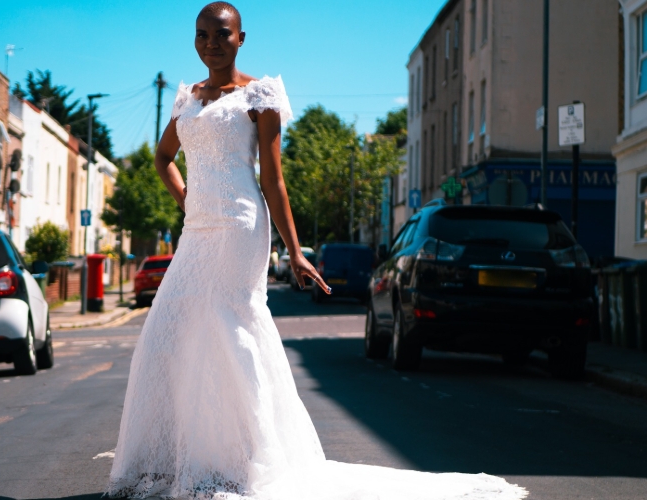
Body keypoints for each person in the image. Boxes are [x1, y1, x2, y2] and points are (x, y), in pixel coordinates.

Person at [106, 3, 528, 499]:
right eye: (202, 35)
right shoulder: (186, 100)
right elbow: (162, 157)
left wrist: (295, 249)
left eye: (221, 34)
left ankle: (243, 464)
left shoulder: (258, 96)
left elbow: (273, 179)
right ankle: (176, 459)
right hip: (196, 232)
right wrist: (186, 201)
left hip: (242, 227)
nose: (210, 43)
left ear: (241, 38)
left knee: (230, 331)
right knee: (168, 331)